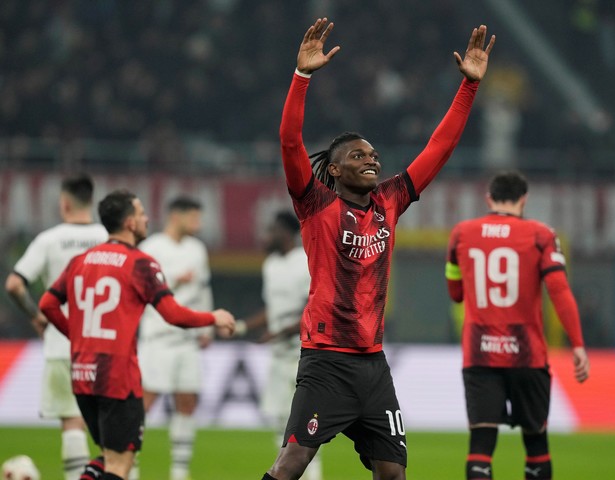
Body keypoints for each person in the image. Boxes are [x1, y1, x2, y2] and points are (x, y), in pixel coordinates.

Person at [263, 17, 495, 480]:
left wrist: (468, 87)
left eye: (372, 155)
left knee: (393, 473)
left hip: (373, 365)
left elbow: (440, 148)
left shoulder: (389, 200)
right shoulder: (315, 204)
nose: (371, 160)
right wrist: (302, 77)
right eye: (357, 156)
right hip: (326, 359)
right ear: (332, 171)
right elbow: (290, 141)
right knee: (291, 464)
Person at [38, 190, 236, 480]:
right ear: (130, 223)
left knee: (108, 456)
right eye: (142, 213)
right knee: (120, 465)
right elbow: (173, 315)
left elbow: (47, 304)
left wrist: (77, 336)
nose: (146, 219)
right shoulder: (140, 262)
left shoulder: (81, 260)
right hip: (117, 375)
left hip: (83, 373)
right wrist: (213, 317)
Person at [445, 171, 590, 480]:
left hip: (480, 354)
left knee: (481, 445)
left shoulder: (461, 233)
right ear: (524, 199)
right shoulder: (541, 235)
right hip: (527, 355)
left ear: (489, 199)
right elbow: (559, 292)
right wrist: (577, 344)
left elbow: (455, 293)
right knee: (536, 442)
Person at [5, 174, 108, 480]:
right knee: (115, 432)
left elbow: (14, 284)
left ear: (64, 203)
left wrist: (37, 316)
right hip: (107, 346)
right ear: (91, 201)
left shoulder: (49, 239)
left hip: (63, 343)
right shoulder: (109, 238)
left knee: (72, 421)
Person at [235, 211, 321, 480]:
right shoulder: (270, 265)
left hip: (304, 353)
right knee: (278, 422)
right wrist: (242, 326)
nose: (266, 237)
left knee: (307, 426)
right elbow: (272, 310)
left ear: (285, 233)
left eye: (271, 231)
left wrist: (280, 332)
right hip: (279, 355)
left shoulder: (306, 262)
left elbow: (316, 308)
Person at [136, 196, 213, 480]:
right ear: (176, 216)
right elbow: (138, 289)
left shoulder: (197, 249)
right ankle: (128, 465)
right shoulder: (150, 248)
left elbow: (204, 289)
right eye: (194, 217)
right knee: (144, 401)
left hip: (188, 341)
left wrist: (207, 328)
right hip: (158, 339)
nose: (199, 224)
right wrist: (173, 279)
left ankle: (179, 472)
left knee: (187, 401)